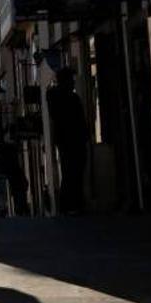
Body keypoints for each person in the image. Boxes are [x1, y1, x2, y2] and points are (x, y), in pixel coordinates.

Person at [47, 67, 89, 214]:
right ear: (65, 81)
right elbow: (78, 120)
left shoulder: (56, 96)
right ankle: (72, 205)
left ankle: (72, 205)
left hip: (67, 140)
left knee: (71, 172)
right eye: (71, 80)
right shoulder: (66, 97)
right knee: (73, 172)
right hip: (71, 140)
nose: (73, 83)